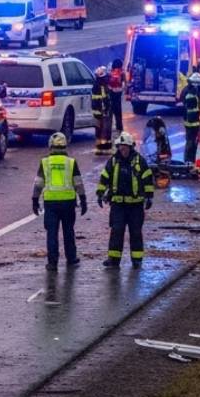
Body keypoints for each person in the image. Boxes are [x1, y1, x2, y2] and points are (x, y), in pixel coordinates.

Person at [96, 132, 154, 269]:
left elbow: (147, 179)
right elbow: (105, 177)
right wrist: (99, 193)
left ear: (130, 147)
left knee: (135, 232)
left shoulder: (140, 161)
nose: (122, 150)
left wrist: (149, 196)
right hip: (118, 205)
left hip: (135, 205)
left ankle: (137, 260)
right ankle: (114, 260)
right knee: (117, 231)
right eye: (120, 147)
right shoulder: (114, 161)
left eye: (124, 147)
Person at [33, 133, 88, 270]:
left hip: (51, 204)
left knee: (52, 233)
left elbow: (38, 183)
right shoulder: (70, 162)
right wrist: (83, 199)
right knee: (68, 231)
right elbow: (78, 183)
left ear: (50, 146)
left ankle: (52, 263)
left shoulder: (45, 162)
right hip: (68, 202)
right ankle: (71, 258)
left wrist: (35, 200)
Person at [177, 72, 200, 166]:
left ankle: (190, 160)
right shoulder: (198, 91)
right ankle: (190, 160)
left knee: (191, 141)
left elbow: (181, 102)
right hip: (195, 121)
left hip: (190, 121)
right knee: (192, 142)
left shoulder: (186, 90)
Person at [91, 66, 113, 157]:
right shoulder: (102, 86)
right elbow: (104, 100)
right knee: (106, 131)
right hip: (103, 112)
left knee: (98, 131)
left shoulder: (95, 86)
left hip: (96, 113)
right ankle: (106, 149)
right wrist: (107, 109)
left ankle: (99, 149)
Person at [108, 58, 126, 133]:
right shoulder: (121, 73)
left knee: (110, 111)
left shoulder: (110, 72)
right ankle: (119, 127)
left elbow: (107, 82)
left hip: (111, 92)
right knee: (118, 111)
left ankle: (108, 127)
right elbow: (124, 82)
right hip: (118, 93)